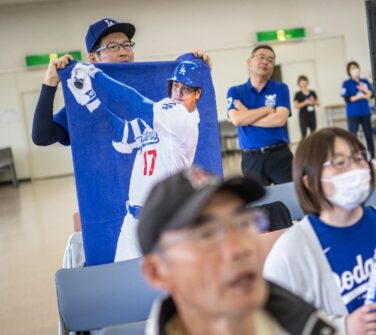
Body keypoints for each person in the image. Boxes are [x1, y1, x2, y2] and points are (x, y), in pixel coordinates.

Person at [263, 127, 376, 334]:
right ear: (310, 182)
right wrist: (343, 327)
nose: (355, 169)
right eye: (339, 163)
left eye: (359, 158)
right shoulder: (289, 252)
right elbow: (274, 327)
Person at [137, 167, 337, 335]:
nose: (239, 248)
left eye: (243, 224)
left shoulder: (312, 326)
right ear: (156, 271)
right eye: (206, 235)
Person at [68, 59, 206, 261]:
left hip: (161, 220)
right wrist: (90, 100)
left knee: (155, 287)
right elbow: (123, 134)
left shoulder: (182, 119)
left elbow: (134, 102)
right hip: (132, 219)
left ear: (197, 94)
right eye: (176, 85)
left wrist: (95, 74)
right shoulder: (162, 116)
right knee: (122, 284)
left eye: (185, 88)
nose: (178, 92)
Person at [32, 17, 211, 147]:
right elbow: (42, 137)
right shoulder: (82, 103)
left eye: (126, 45)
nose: (123, 51)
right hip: (111, 194)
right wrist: (49, 84)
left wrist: (197, 68)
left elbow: (186, 105)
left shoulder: (151, 88)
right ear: (93, 58)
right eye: (112, 46)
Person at [227, 45, 293, 186]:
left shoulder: (280, 88)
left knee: (292, 199)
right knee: (260, 205)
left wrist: (246, 113)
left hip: (279, 155)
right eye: (261, 57)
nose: (265, 62)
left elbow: (279, 120)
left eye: (270, 60)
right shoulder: (235, 92)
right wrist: (266, 110)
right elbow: (237, 120)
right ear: (249, 61)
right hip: (251, 159)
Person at [341, 61, 376, 165]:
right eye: (352, 68)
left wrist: (365, 89)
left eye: (355, 67)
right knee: (353, 136)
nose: (354, 70)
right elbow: (347, 98)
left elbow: (371, 95)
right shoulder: (346, 83)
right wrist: (359, 96)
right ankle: (354, 158)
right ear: (349, 71)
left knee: (369, 135)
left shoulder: (364, 81)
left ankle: (372, 157)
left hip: (365, 112)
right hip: (353, 114)